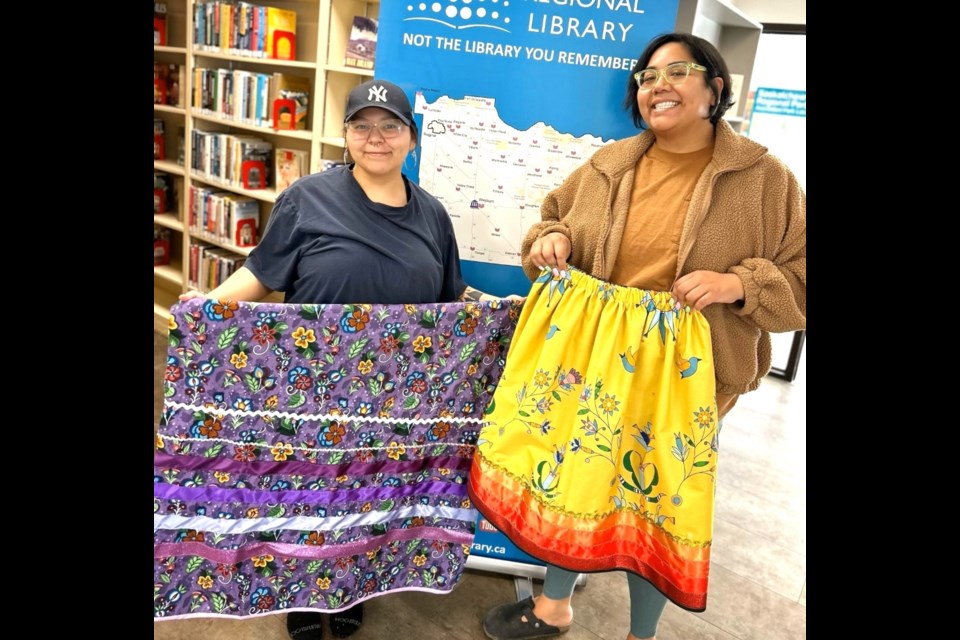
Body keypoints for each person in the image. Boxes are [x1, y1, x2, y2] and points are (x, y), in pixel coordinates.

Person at [468, 32, 806, 640]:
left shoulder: (763, 179)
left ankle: (640, 636)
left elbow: (802, 279)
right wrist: (552, 241)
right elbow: (552, 220)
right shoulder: (609, 164)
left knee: (657, 507)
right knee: (575, 481)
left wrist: (739, 285)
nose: (659, 86)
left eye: (677, 72)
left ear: (715, 88)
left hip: (689, 378)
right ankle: (553, 608)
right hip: (591, 364)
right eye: (647, 78)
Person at [180, 79, 514, 640]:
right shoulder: (307, 197)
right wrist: (207, 309)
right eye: (362, 125)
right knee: (307, 497)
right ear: (346, 134)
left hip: (394, 401)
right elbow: (262, 272)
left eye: (390, 126)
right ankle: (305, 599)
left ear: (411, 137)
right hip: (312, 393)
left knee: (368, 501)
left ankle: (347, 592)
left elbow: (452, 294)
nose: (375, 138)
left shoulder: (432, 214)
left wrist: (499, 312)